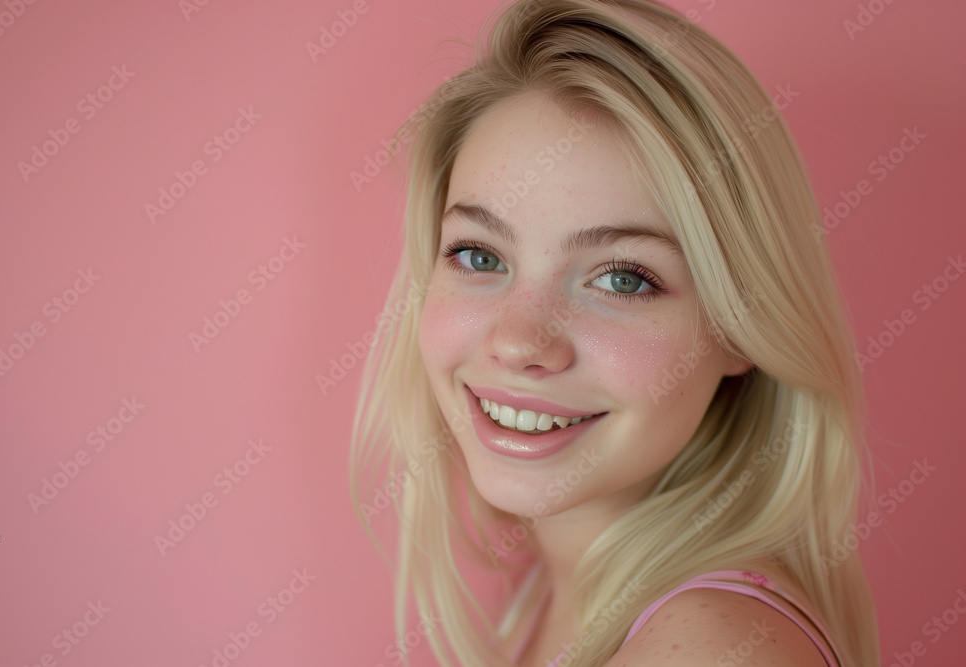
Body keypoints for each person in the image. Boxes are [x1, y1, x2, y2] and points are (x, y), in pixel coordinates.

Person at [350, 1, 880, 665]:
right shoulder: (549, 593)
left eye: (623, 279)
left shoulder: (714, 649)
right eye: (479, 255)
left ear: (740, 328)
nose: (518, 342)